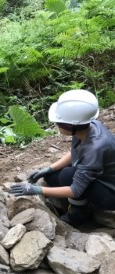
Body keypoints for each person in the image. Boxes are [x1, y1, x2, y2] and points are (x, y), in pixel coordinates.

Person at [9, 89, 115, 227]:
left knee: (66, 176)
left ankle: (80, 213)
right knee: (51, 177)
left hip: (110, 193)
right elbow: (75, 152)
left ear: (70, 126)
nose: (56, 125)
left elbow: (75, 190)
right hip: (99, 174)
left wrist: (36, 190)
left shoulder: (95, 148)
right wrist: (49, 169)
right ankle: (80, 203)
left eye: (58, 122)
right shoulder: (89, 126)